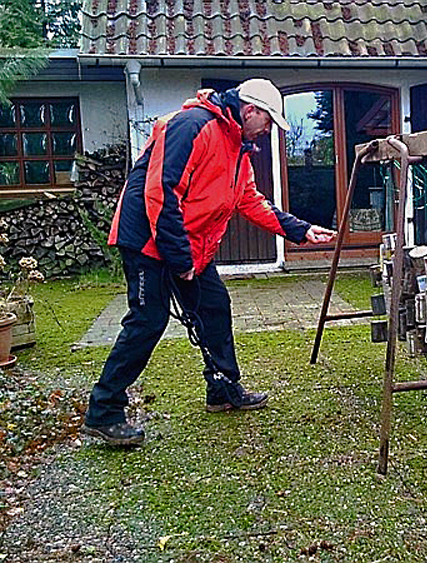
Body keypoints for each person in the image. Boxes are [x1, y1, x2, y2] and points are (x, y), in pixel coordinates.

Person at [81, 78, 336, 446]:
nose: (268, 131)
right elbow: (160, 191)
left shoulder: (238, 146)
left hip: (189, 244)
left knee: (214, 306)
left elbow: (249, 200)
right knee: (147, 322)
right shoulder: (191, 126)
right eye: (267, 122)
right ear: (249, 111)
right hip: (147, 241)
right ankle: (103, 411)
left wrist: (300, 230)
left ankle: (222, 388)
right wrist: (179, 258)